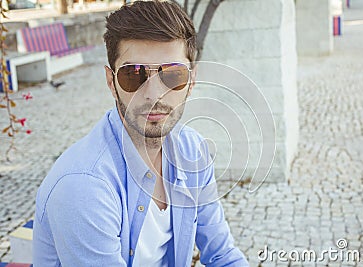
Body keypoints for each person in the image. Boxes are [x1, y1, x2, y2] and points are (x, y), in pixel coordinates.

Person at [32, 0, 249, 266]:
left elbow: (222, 254)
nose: (154, 94)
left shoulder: (192, 151)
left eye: (172, 75)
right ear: (112, 83)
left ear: (191, 82)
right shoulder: (84, 187)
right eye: (134, 75)